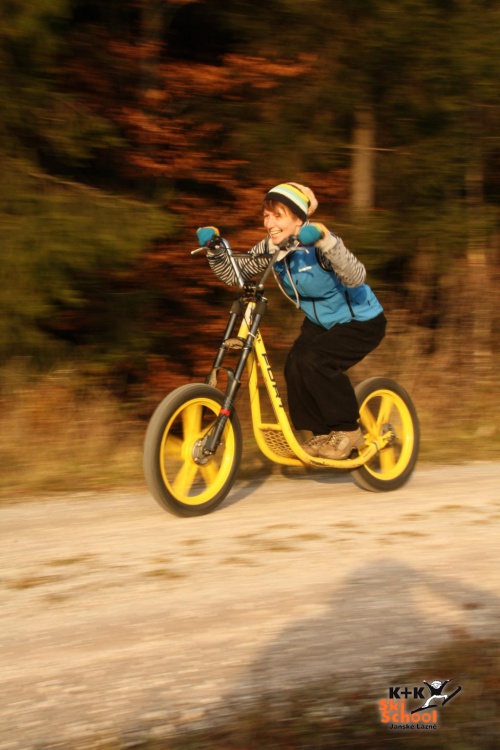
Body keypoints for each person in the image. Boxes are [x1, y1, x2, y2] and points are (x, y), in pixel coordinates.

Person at [198, 182, 386, 459]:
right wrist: (215, 250)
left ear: (298, 219)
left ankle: (348, 430)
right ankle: (322, 434)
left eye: (278, 216)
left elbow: (356, 277)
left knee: (315, 361)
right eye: (266, 216)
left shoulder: (319, 244)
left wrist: (326, 241)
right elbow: (234, 275)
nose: (269, 223)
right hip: (319, 322)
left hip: (360, 319)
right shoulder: (271, 246)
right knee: (295, 366)